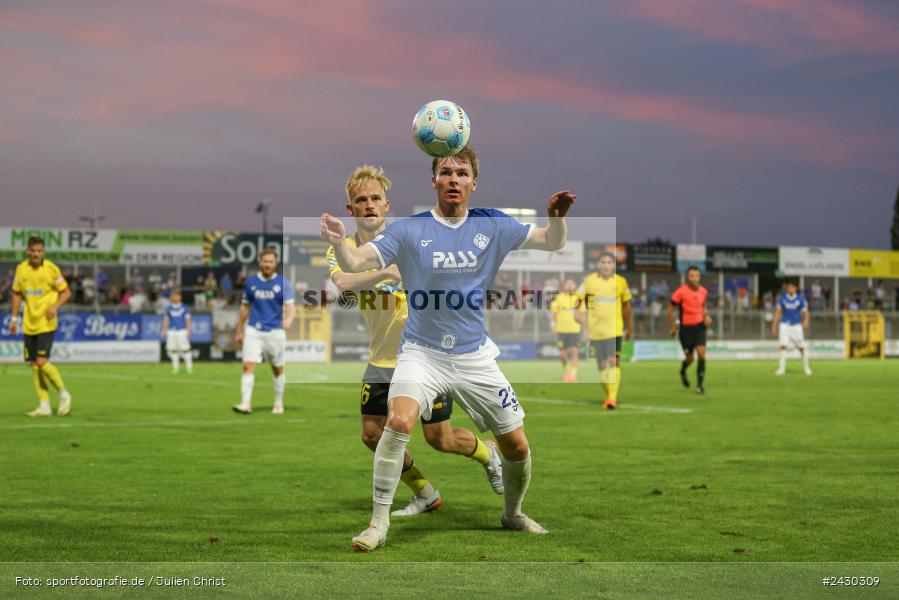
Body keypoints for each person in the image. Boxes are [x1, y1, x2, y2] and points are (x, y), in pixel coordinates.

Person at [322, 146, 575, 551]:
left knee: (517, 445)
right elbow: (353, 263)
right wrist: (339, 243)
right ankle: (378, 524)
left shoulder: (493, 224)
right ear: (434, 181)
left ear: (474, 182)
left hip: (474, 356)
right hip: (421, 352)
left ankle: (512, 513)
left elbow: (552, 243)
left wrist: (557, 219)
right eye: (445, 172)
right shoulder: (410, 229)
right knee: (398, 422)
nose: (453, 178)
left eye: (461, 173)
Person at [326, 164, 504, 518]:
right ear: (351, 209)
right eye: (361, 200)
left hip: (424, 356)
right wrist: (387, 272)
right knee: (372, 434)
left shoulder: (409, 238)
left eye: (376, 198)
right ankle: (424, 492)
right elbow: (343, 283)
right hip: (381, 359)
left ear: (387, 205)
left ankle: (488, 453)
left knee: (441, 439)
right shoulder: (343, 249)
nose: (370, 205)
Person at [9, 236, 73, 417]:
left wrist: (55, 306)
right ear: (28, 251)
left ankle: (64, 393)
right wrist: (14, 319)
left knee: (42, 361)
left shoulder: (51, 269)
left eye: (39, 251)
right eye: (33, 251)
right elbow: (16, 293)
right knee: (35, 365)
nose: (36, 254)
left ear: (43, 252)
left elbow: (66, 292)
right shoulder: (21, 269)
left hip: (46, 323)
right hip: (29, 324)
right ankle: (44, 405)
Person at [232, 249, 295, 415]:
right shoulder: (251, 282)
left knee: (277, 368)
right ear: (260, 262)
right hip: (253, 330)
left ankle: (278, 403)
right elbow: (245, 307)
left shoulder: (283, 283)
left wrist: (288, 319)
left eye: (270, 261)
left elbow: (290, 305)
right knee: (248, 366)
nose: (267, 264)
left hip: (275, 332)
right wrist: (239, 329)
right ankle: (245, 403)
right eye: (265, 261)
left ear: (275, 263)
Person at [581, 252, 633, 409]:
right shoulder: (588, 282)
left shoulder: (621, 282)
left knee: (613, 361)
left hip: (615, 330)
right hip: (596, 332)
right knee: (602, 366)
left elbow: (626, 306)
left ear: (614, 265)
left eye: (610, 262)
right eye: (603, 262)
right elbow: (581, 306)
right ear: (598, 265)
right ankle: (610, 394)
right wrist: (585, 329)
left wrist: (629, 327)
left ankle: (611, 398)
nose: (606, 265)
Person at [668, 266, 712, 395]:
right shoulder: (680, 292)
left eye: (697, 275)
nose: (694, 278)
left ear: (699, 277)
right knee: (690, 359)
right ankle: (683, 370)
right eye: (692, 275)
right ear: (688, 277)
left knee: (701, 353)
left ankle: (699, 386)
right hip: (686, 329)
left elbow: (703, 307)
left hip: (699, 327)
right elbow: (670, 310)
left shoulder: (703, 291)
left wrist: (706, 316)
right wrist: (673, 327)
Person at [772, 279, 811, 376]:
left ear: (795, 288)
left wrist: (806, 321)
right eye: (789, 287)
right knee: (783, 346)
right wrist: (774, 325)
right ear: (787, 288)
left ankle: (806, 368)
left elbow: (805, 312)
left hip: (796, 326)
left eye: (793, 287)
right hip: (784, 325)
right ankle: (781, 369)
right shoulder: (782, 298)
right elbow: (778, 312)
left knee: (802, 347)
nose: (791, 289)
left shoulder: (800, 299)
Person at [548, 278, 584, 382]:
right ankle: (567, 371)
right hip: (561, 330)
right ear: (564, 286)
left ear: (575, 285)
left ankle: (572, 374)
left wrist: (586, 327)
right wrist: (553, 325)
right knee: (562, 354)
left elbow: (582, 314)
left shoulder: (579, 299)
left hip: (575, 330)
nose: (570, 286)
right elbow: (553, 314)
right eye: (567, 284)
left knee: (574, 351)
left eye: (572, 283)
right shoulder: (558, 298)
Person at [161, 290, 193, 375]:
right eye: (175, 295)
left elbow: (188, 319)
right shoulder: (169, 308)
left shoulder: (184, 307)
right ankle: (176, 368)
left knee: (186, 349)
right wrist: (164, 330)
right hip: (172, 332)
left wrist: (188, 330)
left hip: (181, 331)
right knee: (173, 350)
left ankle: (189, 368)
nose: (177, 297)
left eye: (178, 295)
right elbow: (166, 320)